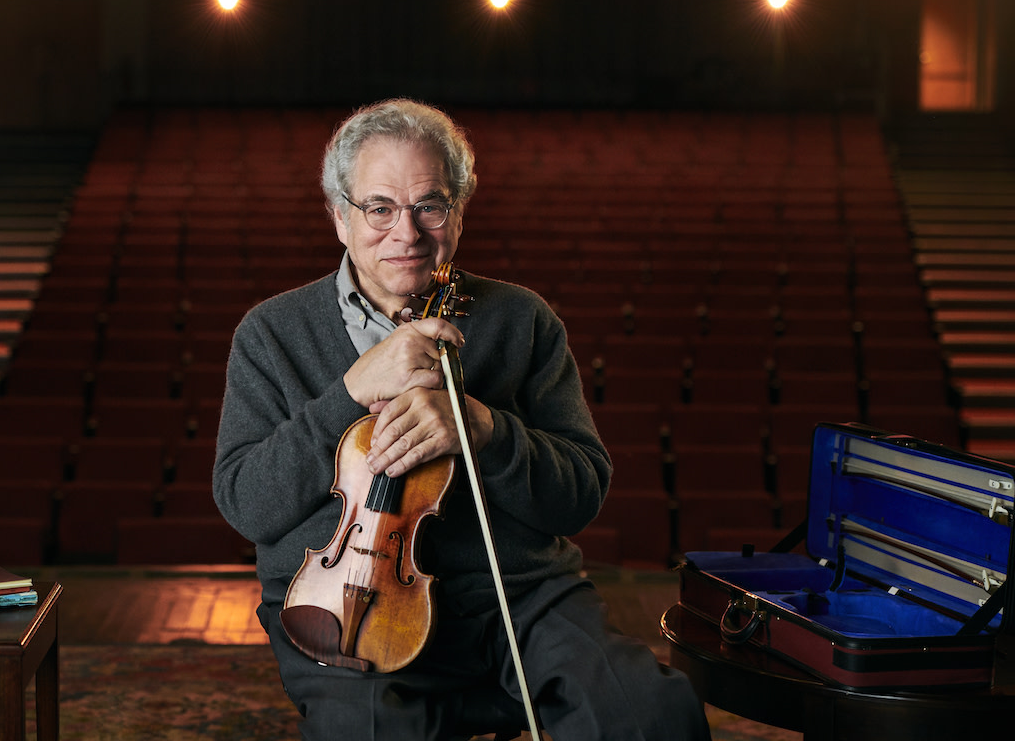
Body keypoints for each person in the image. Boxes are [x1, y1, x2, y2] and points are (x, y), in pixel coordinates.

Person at [213, 98, 710, 740]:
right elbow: (247, 502)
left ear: (459, 213)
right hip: (350, 609)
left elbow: (579, 495)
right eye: (379, 207)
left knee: (649, 715)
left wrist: (483, 428)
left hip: (516, 600)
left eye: (430, 205)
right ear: (339, 217)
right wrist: (349, 392)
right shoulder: (272, 334)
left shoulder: (521, 319)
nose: (407, 233)